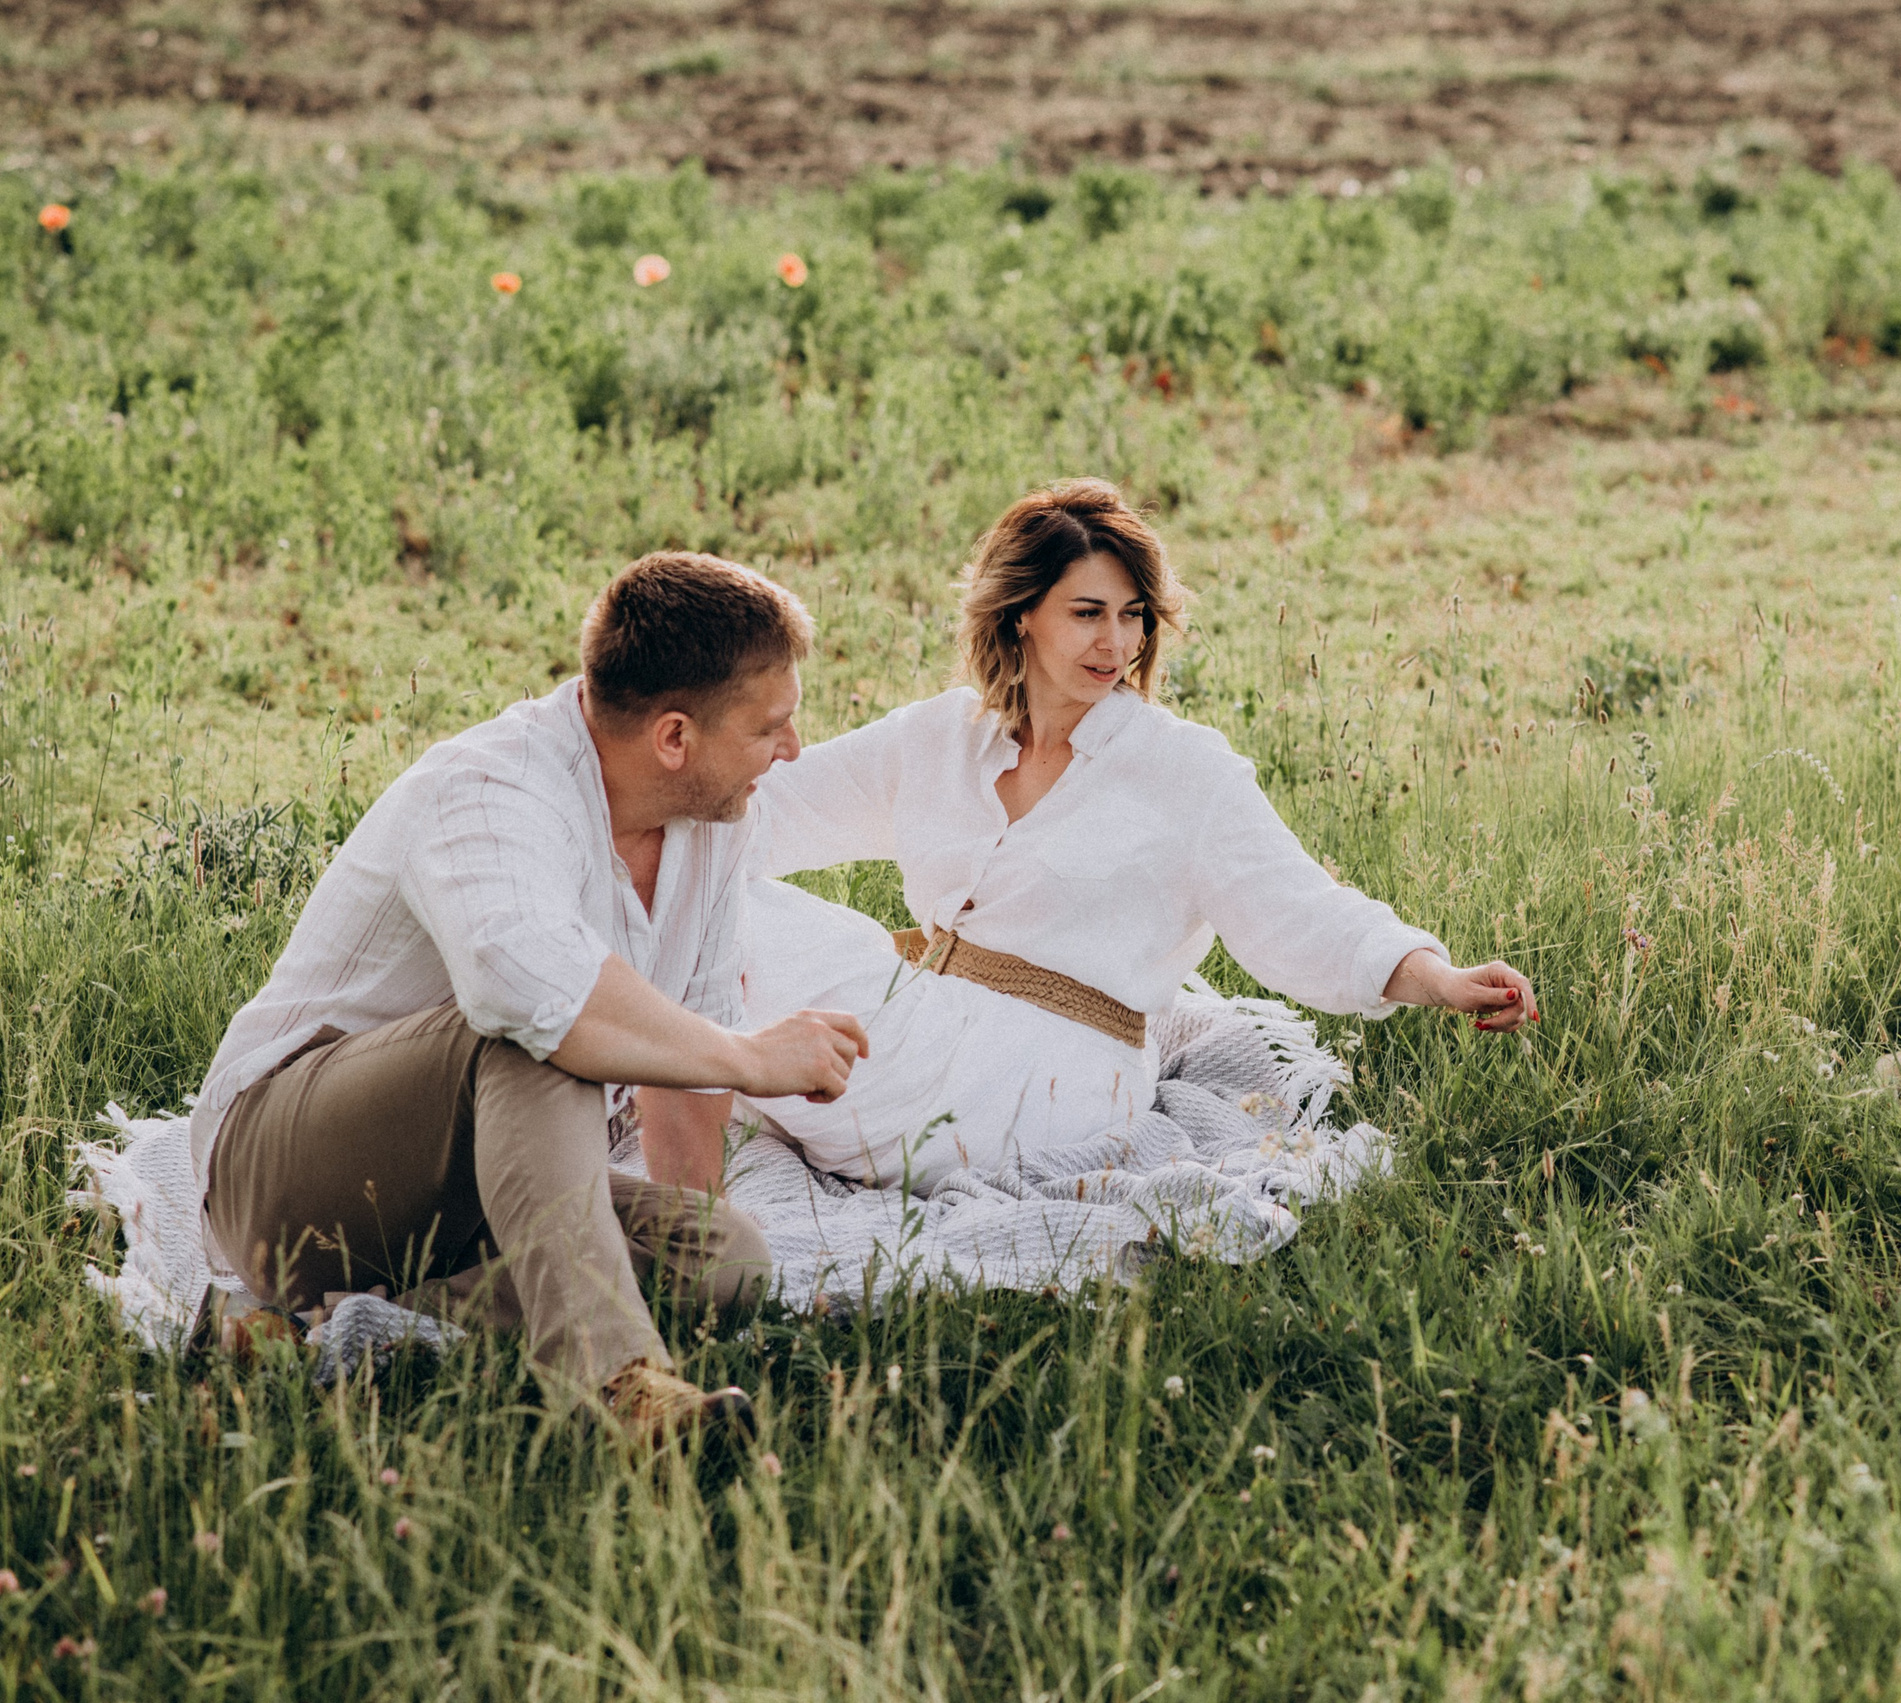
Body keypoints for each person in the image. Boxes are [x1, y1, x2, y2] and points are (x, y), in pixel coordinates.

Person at [192, 552, 871, 1441]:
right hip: (287, 1177)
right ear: (675, 737)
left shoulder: (711, 823)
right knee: (532, 1029)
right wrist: (755, 1057)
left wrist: (687, 1231)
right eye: (770, 727)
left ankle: (315, 1332)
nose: (791, 750)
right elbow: (534, 996)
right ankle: (622, 1390)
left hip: (478, 1194)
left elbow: (681, 1076)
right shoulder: (490, 787)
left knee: (724, 1259)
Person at [737, 478, 1536, 1190]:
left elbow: (1303, 912)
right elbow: (766, 805)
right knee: (722, 902)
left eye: (1132, 617)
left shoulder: (1182, 768)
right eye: (1087, 614)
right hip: (935, 1014)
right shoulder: (943, 736)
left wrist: (1441, 976)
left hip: (1066, 1075)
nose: (1116, 645)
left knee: (732, 945)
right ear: (1020, 615)